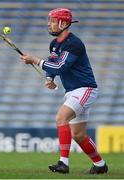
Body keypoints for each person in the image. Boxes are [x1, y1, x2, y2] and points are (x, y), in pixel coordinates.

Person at [20, 8, 108, 174]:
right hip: (73, 91)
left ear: (63, 23)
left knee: (61, 117)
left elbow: (61, 66)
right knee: (78, 134)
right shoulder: (54, 44)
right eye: (50, 20)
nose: (49, 24)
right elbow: (53, 64)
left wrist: (35, 60)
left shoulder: (74, 43)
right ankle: (100, 165)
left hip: (85, 89)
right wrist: (49, 79)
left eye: (53, 21)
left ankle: (63, 163)